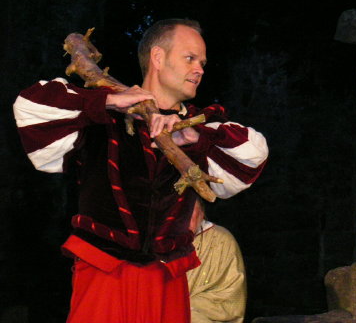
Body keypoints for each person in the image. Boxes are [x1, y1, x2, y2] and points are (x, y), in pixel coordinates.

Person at [12, 19, 268, 323]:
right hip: (104, 273)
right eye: (190, 58)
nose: (199, 69)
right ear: (157, 57)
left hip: (167, 279)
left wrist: (193, 138)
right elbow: (29, 108)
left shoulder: (199, 128)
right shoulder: (102, 117)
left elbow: (253, 157)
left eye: (202, 62)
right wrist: (108, 101)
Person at [187, 199, 246, 323]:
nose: (181, 215)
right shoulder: (150, 243)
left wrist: (181, 307)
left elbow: (228, 300)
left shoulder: (220, 241)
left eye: (188, 207)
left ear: (201, 212)